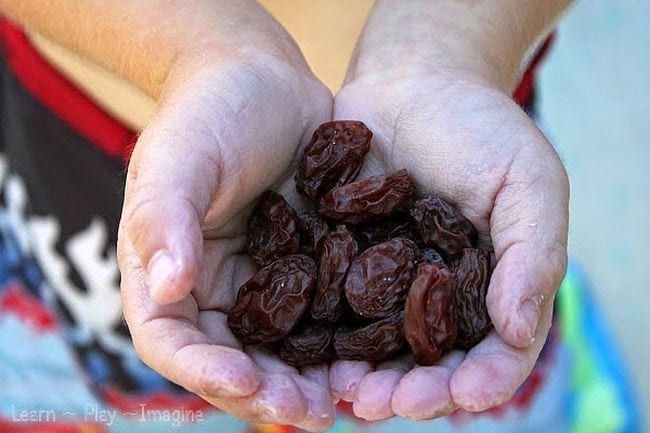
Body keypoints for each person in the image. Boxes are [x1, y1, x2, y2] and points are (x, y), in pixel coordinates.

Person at [2, 1, 630, 432]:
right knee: (161, 368)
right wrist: (200, 53)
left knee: (502, 319)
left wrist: (447, 49)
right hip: (89, 151)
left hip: (462, 111)